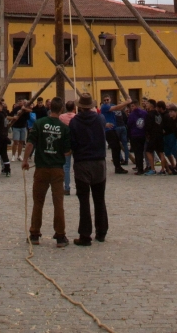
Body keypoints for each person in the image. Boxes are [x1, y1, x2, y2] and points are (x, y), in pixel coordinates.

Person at [22, 95, 71, 247]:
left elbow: (30, 143)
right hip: (57, 169)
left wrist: (25, 160)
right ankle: (61, 237)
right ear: (61, 109)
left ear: (50, 108)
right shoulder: (64, 128)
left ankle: (35, 234)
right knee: (58, 203)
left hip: (41, 168)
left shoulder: (39, 123)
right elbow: (67, 152)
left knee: (38, 202)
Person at [68, 93, 108, 246]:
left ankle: (85, 235)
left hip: (82, 162)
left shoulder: (75, 122)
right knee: (99, 199)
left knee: (84, 201)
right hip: (99, 162)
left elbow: (73, 143)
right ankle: (102, 231)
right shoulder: (100, 119)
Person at [99, 95, 129, 175]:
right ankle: (117, 167)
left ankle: (118, 166)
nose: (106, 101)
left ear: (110, 99)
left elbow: (119, 108)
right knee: (115, 148)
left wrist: (126, 103)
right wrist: (127, 102)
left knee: (117, 148)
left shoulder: (111, 105)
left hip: (113, 129)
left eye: (107, 99)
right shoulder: (104, 107)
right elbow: (115, 108)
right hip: (108, 130)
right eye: (104, 100)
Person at [143, 98, 167, 175]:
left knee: (148, 151)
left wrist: (148, 135)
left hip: (153, 136)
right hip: (160, 135)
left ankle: (152, 169)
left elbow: (148, 126)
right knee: (161, 152)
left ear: (151, 105)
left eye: (147, 103)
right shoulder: (158, 114)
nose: (146, 105)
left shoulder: (149, 114)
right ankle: (163, 169)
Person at [59, 100, 76, 195]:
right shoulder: (76, 117)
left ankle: (67, 187)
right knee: (77, 166)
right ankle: (78, 186)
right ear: (74, 108)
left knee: (66, 167)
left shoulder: (61, 117)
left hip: (65, 143)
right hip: (76, 143)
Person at [126, 100, 147, 175]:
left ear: (136, 105)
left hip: (135, 135)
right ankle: (141, 167)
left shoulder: (132, 114)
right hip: (143, 134)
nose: (132, 108)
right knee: (141, 152)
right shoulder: (144, 113)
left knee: (137, 152)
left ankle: (140, 168)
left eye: (132, 106)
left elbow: (129, 124)